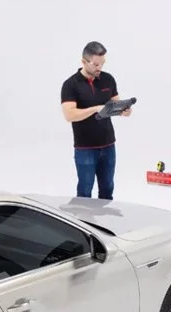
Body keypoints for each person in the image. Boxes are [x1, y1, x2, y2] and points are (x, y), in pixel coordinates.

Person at [60, 41, 132, 200]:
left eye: (102, 64)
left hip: (108, 145)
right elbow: (69, 115)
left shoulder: (108, 79)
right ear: (83, 62)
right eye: (95, 64)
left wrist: (123, 111)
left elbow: (114, 104)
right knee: (85, 191)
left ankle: (104, 222)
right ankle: (82, 222)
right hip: (85, 147)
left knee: (107, 188)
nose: (99, 68)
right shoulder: (70, 85)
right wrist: (94, 109)